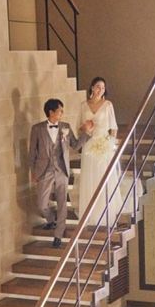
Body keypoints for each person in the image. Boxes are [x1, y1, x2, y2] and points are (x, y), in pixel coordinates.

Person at [29, 98, 92, 248]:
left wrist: (86, 133)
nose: (62, 113)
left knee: (62, 203)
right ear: (51, 112)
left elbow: (75, 145)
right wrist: (33, 172)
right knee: (41, 204)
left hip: (62, 170)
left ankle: (58, 235)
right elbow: (32, 153)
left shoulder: (65, 127)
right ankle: (51, 219)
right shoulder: (37, 129)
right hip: (44, 171)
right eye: (60, 111)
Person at [77, 77, 123, 226]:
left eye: (103, 88)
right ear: (92, 87)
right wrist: (86, 128)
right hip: (89, 145)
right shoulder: (83, 105)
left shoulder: (108, 105)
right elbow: (79, 128)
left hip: (104, 145)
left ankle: (105, 215)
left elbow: (114, 128)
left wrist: (110, 144)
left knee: (103, 177)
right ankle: (90, 216)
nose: (100, 90)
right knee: (90, 178)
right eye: (98, 87)